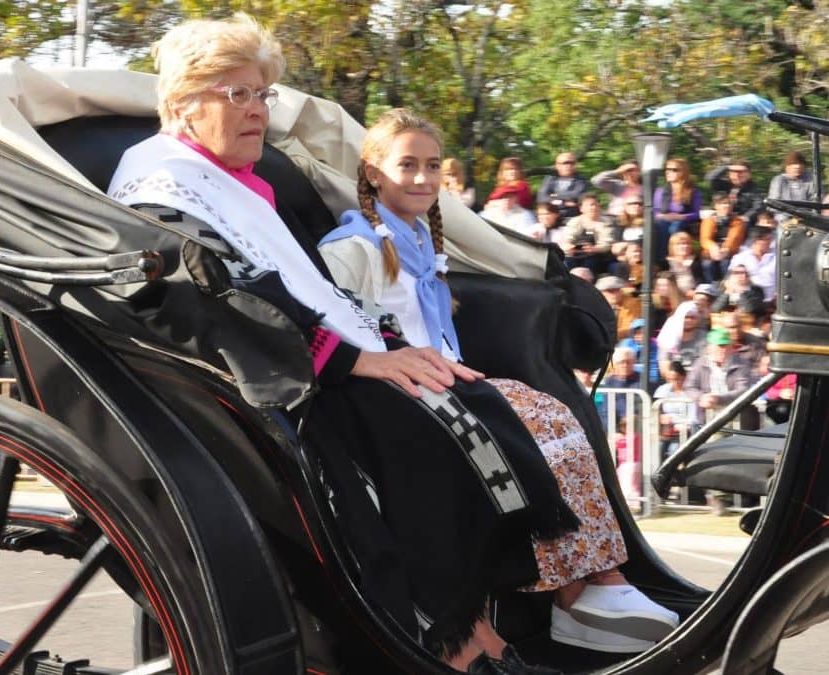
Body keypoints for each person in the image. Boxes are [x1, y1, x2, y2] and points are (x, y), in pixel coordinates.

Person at [106, 17, 594, 671]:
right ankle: (443, 641)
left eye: (262, 95)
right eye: (238, 95)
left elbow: (312, 290)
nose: (257, 111)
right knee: (418, 421)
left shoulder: (235, 182)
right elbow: (218, 302)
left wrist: (390, 344)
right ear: (183, 102)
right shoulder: (161, 185)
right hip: (268, 391)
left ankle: (477, 631)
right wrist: (357, 356)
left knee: (466, 398)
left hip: (308, 364)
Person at [318, 107, 677, 656]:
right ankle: (579, 591)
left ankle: (589, 586)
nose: (421, 178)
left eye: (432, 165)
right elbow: (347, 328)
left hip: (446, 380)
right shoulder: (352, 249)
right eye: (406, 165)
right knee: (538, 419)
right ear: (372, 173)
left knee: (558, 417)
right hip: (398, 392)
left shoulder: (420, 244)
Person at [652, 158, 702, 263]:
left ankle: (675, 259)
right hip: (664, 220)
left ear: (683, 171)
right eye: (666, 169)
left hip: (683, 222)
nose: (668, 172)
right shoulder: (660, 191)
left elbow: (696, 214)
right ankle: (662, 260)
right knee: (662, 225)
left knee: (676, 226)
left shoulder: (693, 191)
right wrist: (663, 216)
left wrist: (680, 216)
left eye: (673, 169)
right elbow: (655, 211)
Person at [560, 193, 615, 274]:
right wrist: (569, 246)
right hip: (576, 254)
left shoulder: (606, 223)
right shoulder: (575, 221)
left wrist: (595, 249)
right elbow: (567, 238)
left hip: (598, 256)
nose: (594, 207)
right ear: (581, 208)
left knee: (590, 262)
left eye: (596, 204)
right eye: (590, 205)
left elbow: (607, 243)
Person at [699, 193, 745, 282]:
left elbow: (735, 238)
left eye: (728, 203)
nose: (726, 206)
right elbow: (705, 238)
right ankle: (711, 286)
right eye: (722, 203)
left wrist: (726, 249)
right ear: (716, 206)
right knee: (707, 264)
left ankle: (726, 287)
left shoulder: (738, 221)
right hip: (712, 251)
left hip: (729, 251)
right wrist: (713, 248)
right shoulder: (709, 220)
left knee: (726, 263)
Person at [705, 159, 762, 228]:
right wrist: (727, 167)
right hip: (720, 216)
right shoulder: (723, 184)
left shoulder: (753, 188)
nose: (738, 174)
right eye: (734, 171)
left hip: (740, 220)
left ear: (749, 174)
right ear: (729, 173)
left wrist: (746, 216)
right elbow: (710, 178)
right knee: (708, 223)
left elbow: (758, 206)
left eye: (742, 172)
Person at [657, 301, 706, 380]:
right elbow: (664, 371)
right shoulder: (667, 338)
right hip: (675, 383)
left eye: (692, 317)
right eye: (686, 317)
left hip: (699, 384)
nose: (689, 320)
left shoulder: (705, 338)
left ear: (697, 319)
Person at [728, 226, 776, 304]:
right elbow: (729, 279)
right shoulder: (740, 258)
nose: (770, 242)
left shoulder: (777, 257)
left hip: (772, 301)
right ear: (756, 241)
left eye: (771, 239)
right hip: (747, 301)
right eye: (767, 239)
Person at [767, 150, 818, 223]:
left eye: (800, 164)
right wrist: (788, 216)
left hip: (806, 218)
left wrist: (803, 214)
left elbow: (816, 200)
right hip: (784, 219)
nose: (797, 166)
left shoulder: (811, 179)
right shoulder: (779, 180)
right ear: (787, 167)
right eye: (794, 164)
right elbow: (773, 204)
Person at [537, 152, 588, 222]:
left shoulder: (581, 180)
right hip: (550, 219)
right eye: (565, 163)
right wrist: (564, 203)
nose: (569, 165)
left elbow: (576, 196)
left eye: (572, 163)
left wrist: (555, 196)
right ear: (557, 165)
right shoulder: (550, 179)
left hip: (571, 219)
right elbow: (541, 198)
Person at [595, 274, 641, 341]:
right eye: (610, 291)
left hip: (625, 342)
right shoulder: (598, 305)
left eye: (617, 290)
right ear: (601, 293)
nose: (614, 294)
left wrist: (606, 335)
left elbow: (629, 329)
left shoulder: (632, 304)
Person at [665, 231, 703, 298]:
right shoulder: (665, 263)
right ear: (672, 246)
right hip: (673, 295)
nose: (684, 246)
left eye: (687, 244)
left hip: (694, 294)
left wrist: (696, 291)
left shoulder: (697, 261)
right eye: (679, 244)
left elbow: (701, 280)